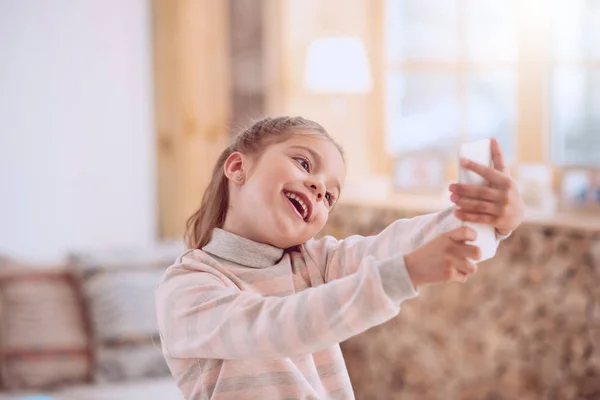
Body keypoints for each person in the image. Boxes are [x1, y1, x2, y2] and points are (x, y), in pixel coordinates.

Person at [155, 116, 524, 399]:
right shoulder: (187, 287)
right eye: (303, 163)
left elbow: (393, 244)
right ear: (238, 168)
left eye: (330, 197)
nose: (319, 188)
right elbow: (273, 328)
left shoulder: (316, 262)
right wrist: (403, 275)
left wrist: (484, 218)